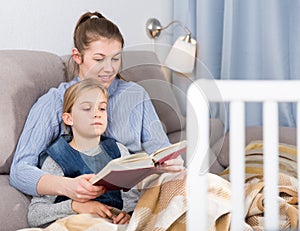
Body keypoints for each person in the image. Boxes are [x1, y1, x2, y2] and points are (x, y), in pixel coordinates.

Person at [10, 11, 183, 202]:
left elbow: (161, 149)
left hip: (140, 196)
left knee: (205, 188)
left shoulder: (135, 94)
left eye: (115, 59)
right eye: (99, 59)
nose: (109, 69)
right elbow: (19, 171)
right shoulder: (54, 102)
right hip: (88, 202)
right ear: (78, 56)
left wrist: (172, 164)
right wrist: (69, 187)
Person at [28, 79, 133, 227]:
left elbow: (132, 199)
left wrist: (126, 215)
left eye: (102, 108)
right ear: (69, 118)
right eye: (86, 108)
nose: (96, 114)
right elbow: (35, 214)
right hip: (77, 223)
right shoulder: (57, 158)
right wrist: (76, 206)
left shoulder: (119, 151)